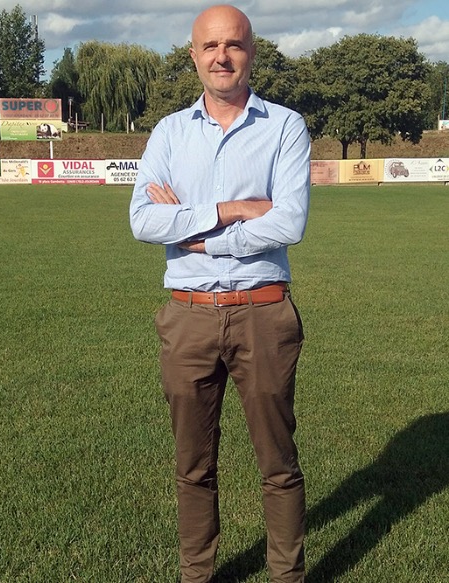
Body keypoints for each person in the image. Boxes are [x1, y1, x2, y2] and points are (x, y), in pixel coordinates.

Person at [129, 5, 310, 583]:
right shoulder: (169, 132)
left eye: (233, 44)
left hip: (264, 312)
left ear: (251, 52)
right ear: (193, 55)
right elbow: (142, 220)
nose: (221, 56)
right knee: (192, 466)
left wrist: (197, 234)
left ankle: (287, 576)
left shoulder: (285, 126)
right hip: (188, 317)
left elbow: (288, 223)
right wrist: (233, 210)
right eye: (209, 46)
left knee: (278, 464)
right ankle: (197, 575)